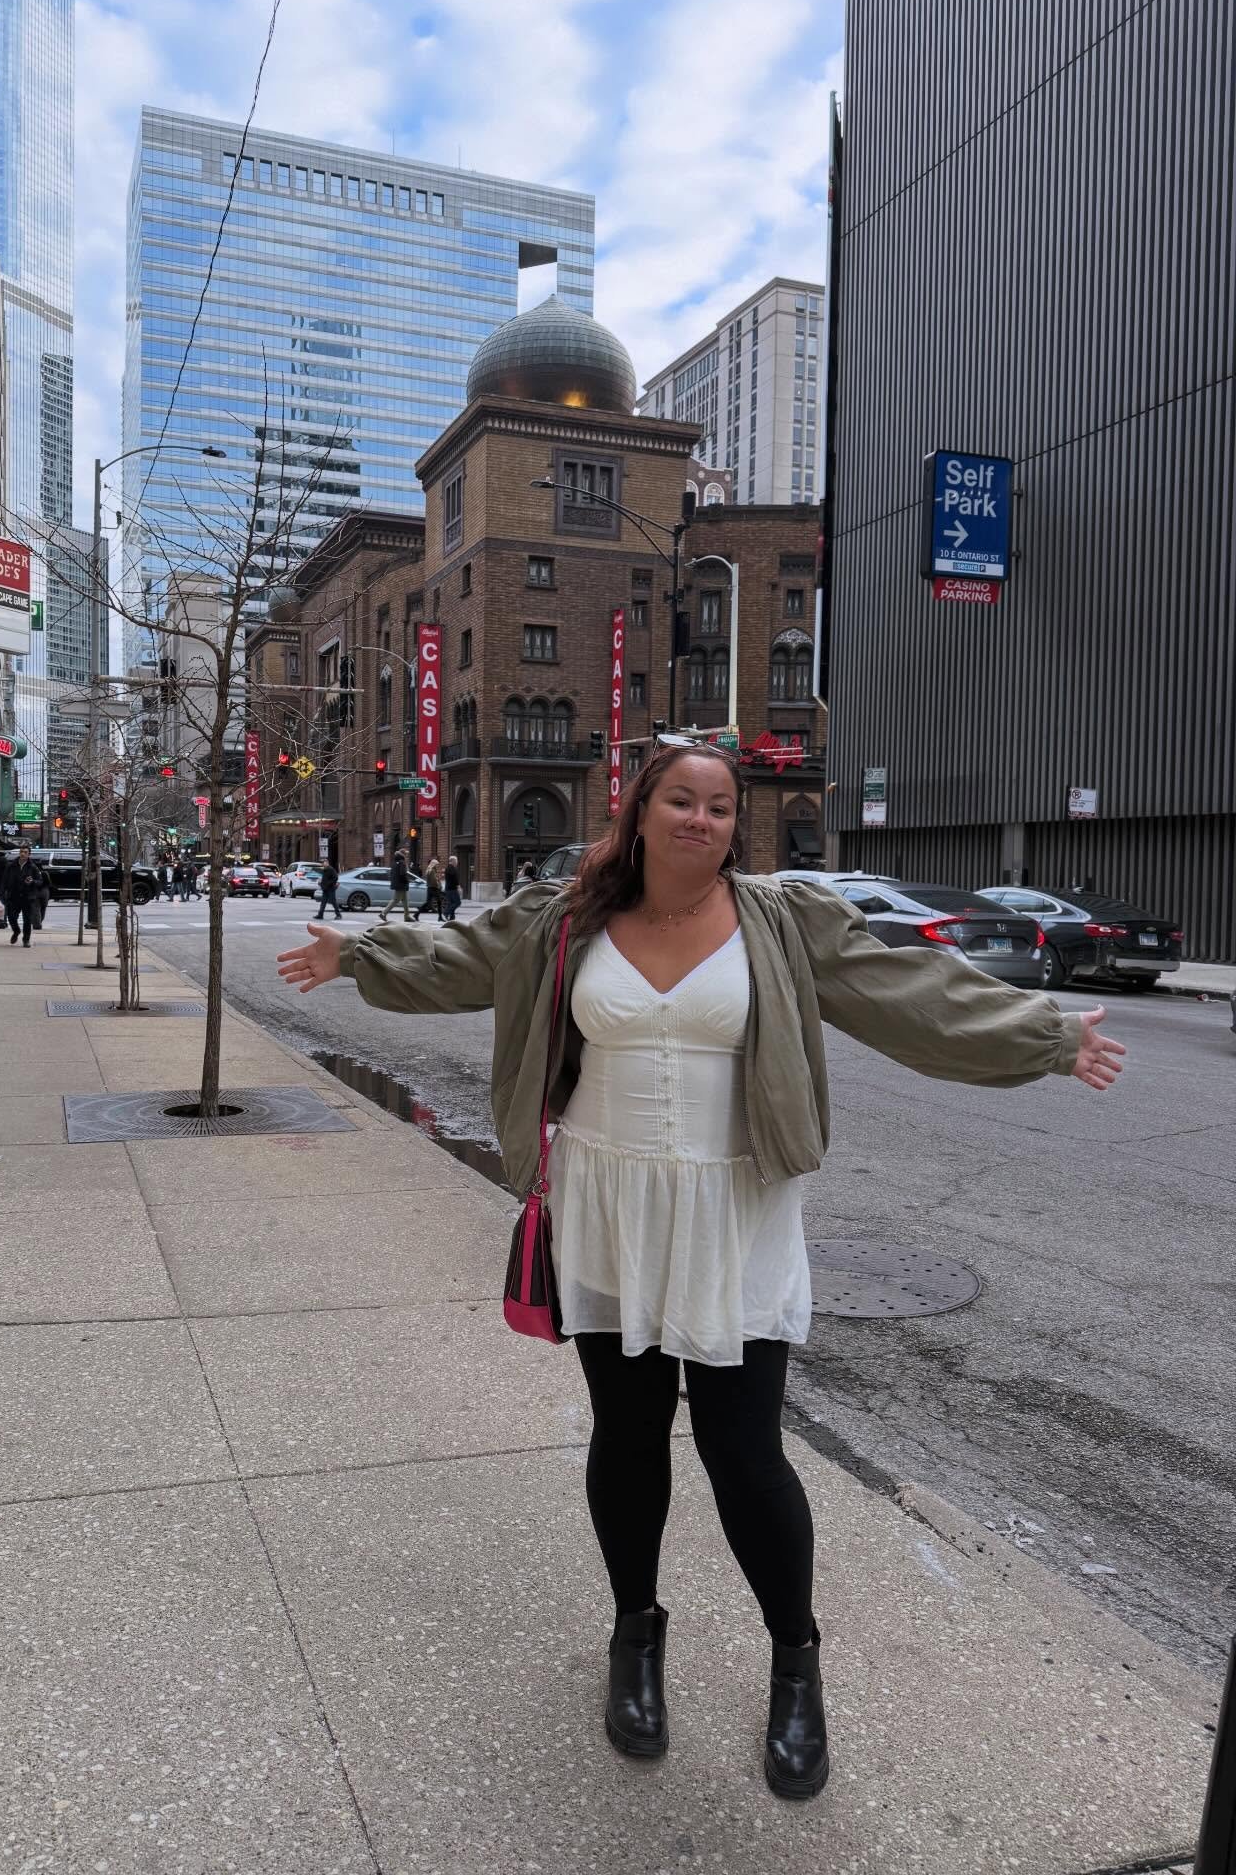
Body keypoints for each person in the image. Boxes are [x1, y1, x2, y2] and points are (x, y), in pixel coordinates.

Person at [276, 742, 1126, 1801]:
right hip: (608, 1198)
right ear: (640, 810)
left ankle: (796, 1661)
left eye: (720, 807)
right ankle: (637, 1633)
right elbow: (463, 956)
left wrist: (1041, 1034)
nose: (701, 819)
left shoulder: (783, 921)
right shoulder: (564, 918)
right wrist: (355, 955)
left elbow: (908, 991)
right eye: (682, 799)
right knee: (628, 1439)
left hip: (736, 1205)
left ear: (737, 825)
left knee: (744, 1450)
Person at [0, 842, 50, 948]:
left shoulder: (33, 867)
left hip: (28, 897)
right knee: (11, 917)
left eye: (25, 852)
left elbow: (40, 881)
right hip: (13, 896)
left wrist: (32, 881)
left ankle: (26, 940)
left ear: (29, 854)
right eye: (21, 852)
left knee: (27, 920)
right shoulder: (11, 866)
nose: (22, 854)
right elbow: (4, 880)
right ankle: (16, 931)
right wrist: (2, 893)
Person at [383, 847, 414, 922]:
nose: (406, 856)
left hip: (398, 884)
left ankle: (407, 916)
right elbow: (402, 874)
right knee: (395, 900)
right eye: (406, 854)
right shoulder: (402, 862)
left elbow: (393, 874)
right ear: (403, 855)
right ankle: (383, 913)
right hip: (401, 884)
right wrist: (407, 880)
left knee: (405, 900)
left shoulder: (395, 861)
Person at [441, 855, 462, 924]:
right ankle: (446, 912)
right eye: (456, 861)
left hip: (448, 888)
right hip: (452, 889)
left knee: (451, 903)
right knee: (457, 902)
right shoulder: (452, 868)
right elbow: (455, 879)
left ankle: (452, 917)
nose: (457, 862)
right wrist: (458, 887)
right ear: (453, 861)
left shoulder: (448, 868)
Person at [424, 856, 442, 922]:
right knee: (439, 901)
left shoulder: (430, 870)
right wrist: (438, 883)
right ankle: (440, 917)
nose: (438, 866)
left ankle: (416, 914)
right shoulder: (432, 871)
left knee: (428, 903)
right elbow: (434, 880)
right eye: (437, 864)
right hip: (433, 888)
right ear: (434, 864)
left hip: (430, 888)